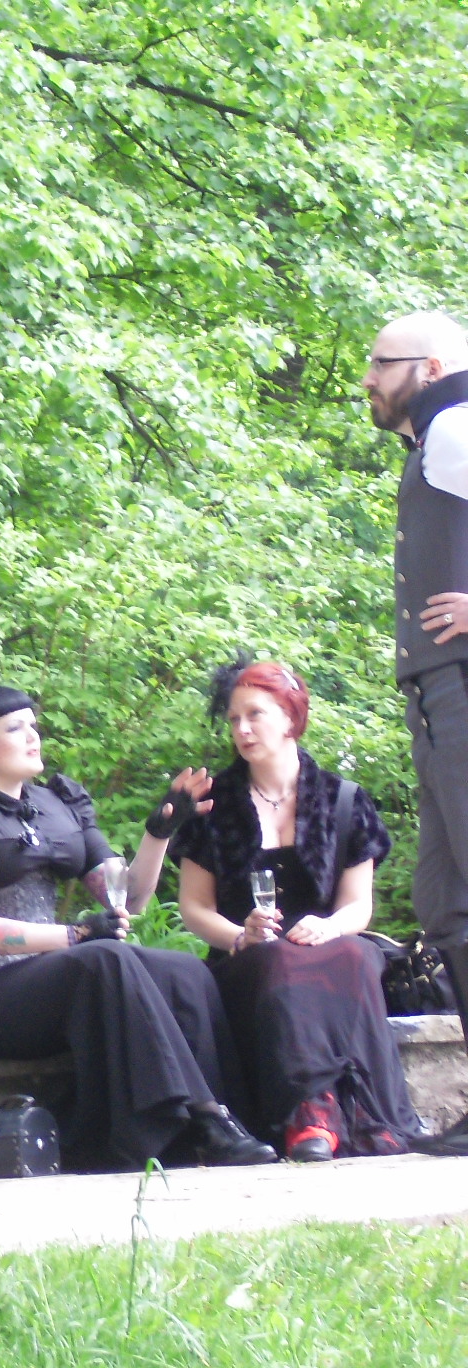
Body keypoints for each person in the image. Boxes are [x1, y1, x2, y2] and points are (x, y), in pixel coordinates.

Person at [0, 668, 273, 1170]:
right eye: (15, 728)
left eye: (34, 725)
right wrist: (76, 935)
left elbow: (129, 898)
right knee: (104, 957)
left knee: (183, 970)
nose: (33, 736)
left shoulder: (58, 802)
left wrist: (160, 831)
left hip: (54, 980)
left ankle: (234, 1116)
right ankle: (197, 1122)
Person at [172, 661, 417, 1160]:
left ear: (290, 717)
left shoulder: (344, 799)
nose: (242, 729)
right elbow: (195, 908)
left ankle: (363, 1116)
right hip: (246, 960)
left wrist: (328, 927)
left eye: (254, 715)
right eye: (234, 718)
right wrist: (240, 935)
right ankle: (310, 1113)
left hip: (332, 948)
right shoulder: (213, 806)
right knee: (280, 958)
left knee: (354, 954)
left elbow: (358, 907)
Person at [359, 312, 468, 1153]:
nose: (367, 378)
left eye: (380, 362)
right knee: (444, 903)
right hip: (437, 701)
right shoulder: (435, 439)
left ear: (428, 368)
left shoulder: (458, 428)